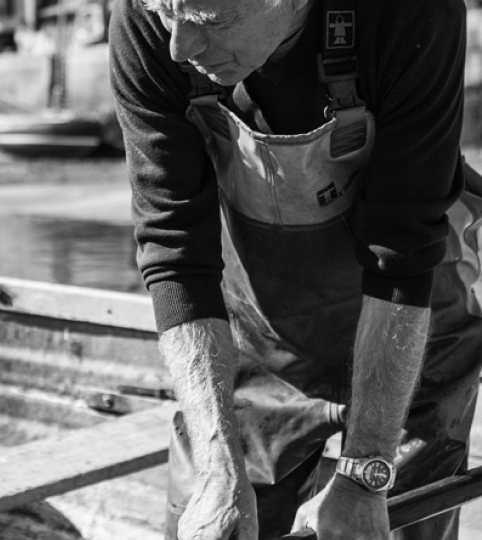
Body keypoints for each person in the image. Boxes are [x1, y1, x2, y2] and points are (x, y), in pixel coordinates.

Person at [109, 0, 482, 538]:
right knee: (209, 517)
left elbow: (401, 253)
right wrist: (218, 466)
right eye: (169, 16)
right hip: (259, 342)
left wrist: (363, 474)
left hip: (416, 341)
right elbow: (175, 252)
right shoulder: (147, 20)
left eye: (210, 23)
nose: (179, 48)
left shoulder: (413, 13)